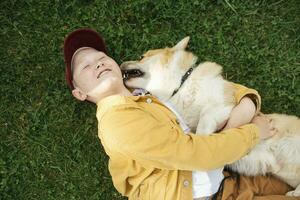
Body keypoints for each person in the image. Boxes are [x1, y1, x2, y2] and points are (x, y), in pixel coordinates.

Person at [63, 28, 298, 200]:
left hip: (225, 180)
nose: (98, 63)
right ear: (80, 93)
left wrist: (247, 102)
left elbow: (219, 90)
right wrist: (252, 132)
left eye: (102, 57)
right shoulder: (117, 123)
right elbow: (193, 153)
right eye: (85, 66)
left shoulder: (149, 92)